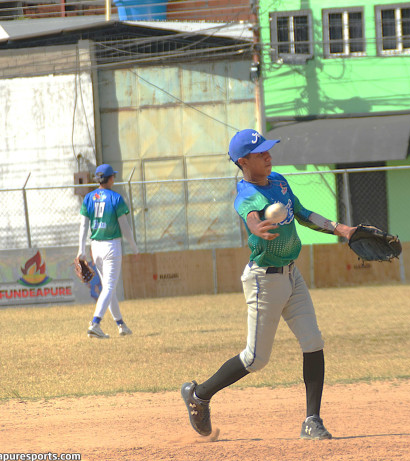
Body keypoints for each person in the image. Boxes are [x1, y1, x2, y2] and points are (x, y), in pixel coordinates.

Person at [181, 129, 357, 440]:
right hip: (264, 280)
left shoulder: (279, 182)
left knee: (313, 341)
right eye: (259, 152)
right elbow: (249, 214)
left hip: (292, 274)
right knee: (255, 359)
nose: (268, 155)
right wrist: (256, 227)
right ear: (243, 161)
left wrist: (342, 229)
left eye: (268, 149)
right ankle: (199, 395)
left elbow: (303, 214)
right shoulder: (247, 194)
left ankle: (312, 421)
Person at [77, 164, 139, 339]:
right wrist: (134, 248)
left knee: (107, 288)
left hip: (95, 246)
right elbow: (125, 228)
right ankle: (95, 324)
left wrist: (81, 250)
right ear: (110, 178)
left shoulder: (89, 197)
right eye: (113, 176)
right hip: (111, 246)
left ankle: (121, 325)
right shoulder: (116, 198)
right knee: (110, 287)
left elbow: (83, 226)